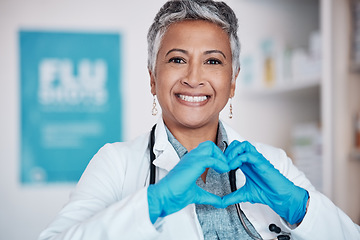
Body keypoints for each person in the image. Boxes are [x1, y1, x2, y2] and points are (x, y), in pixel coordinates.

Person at [39, 0, 360, 239]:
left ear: (233, 81)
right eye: (177, 59)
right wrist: (153, 204)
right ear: (153, 78)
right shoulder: (116, 163)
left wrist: (301, 208)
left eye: (213, 61)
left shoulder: (274, 162)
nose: (194, 78)